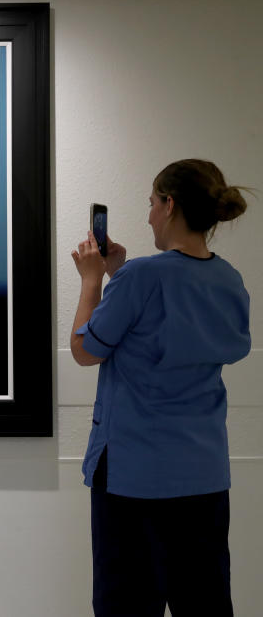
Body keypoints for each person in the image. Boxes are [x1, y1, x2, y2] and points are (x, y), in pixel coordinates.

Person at [70, 159, 252, 616]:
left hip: (134, 479)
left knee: (126, 606)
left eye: (152, 204)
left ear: (169, 205)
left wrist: (93, 280)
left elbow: (85, 349)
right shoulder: (228, 279)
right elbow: (164, 333)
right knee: (204, 604)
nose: (149, 214)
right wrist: (118, 275)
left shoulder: (143, 277)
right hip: (204, 478)